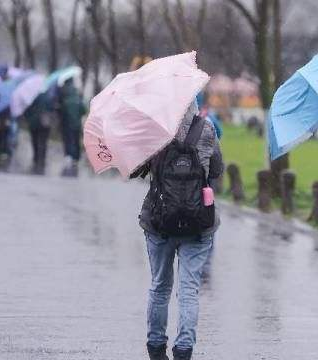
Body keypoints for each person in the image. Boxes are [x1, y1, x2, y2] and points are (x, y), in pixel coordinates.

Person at [136, 101, 224, 360]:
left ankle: (155, 346)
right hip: (198, 222)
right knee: (189, 289)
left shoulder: (155, 131)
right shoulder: (207, 129)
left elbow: (138, 169)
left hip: (159, 222)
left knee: (160, 286)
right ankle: (184, 348)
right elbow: (217, 169)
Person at [57, 78, 87, 177]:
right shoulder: (77, 98)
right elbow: (83, 110)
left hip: (67, 124)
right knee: (76, 139)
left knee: (69, 140)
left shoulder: (64, 99)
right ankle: (76, 158)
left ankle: (70, 156)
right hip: (77, 123)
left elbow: (62, 113)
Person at [25, 92, 52, 175]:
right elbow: (51, 109)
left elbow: (27, 110)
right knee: (43, 142)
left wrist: (28, 119)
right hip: (45, 122)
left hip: (34, 123)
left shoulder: (31, 98)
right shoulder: (48, 97)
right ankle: (42, 159)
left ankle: (36, 158)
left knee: (35, 141)